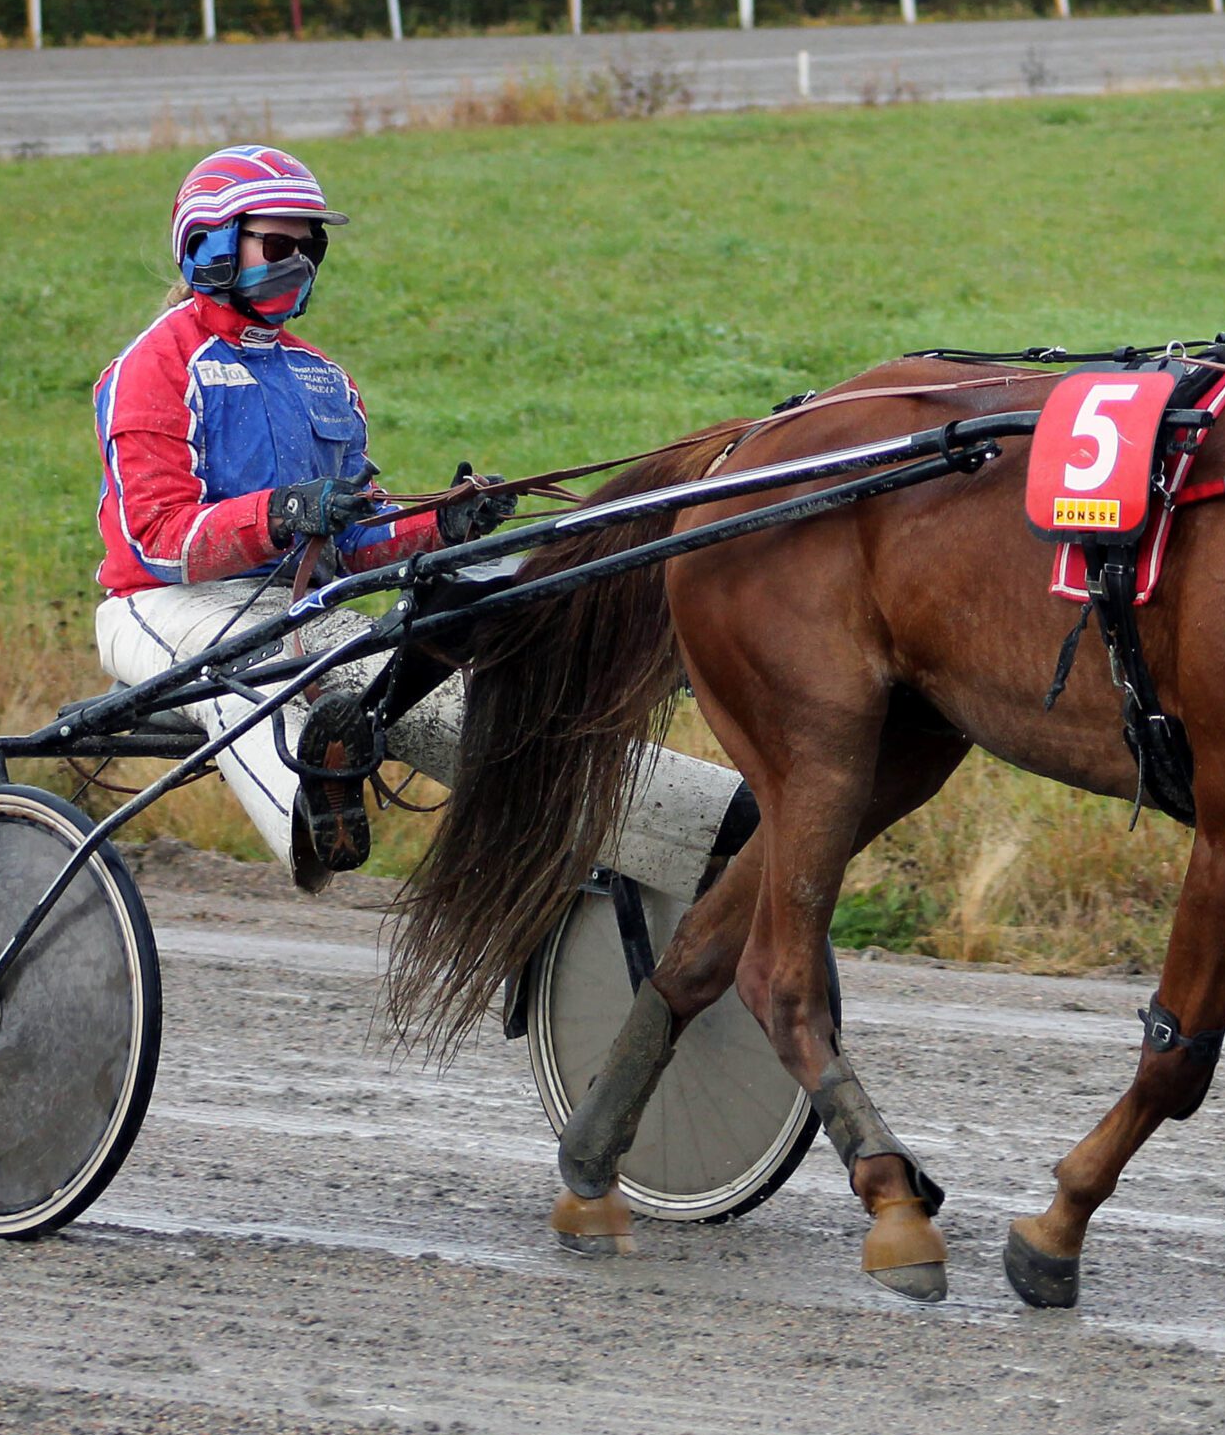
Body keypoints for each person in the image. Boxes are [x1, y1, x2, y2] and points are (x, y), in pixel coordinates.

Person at [94, 145, 746, 900]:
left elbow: (357, 544)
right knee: (256, 664)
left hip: (303, 615)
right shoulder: (155, 366)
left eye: (311, 247)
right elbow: (156, 536)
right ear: (209, 246)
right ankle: (312, 803)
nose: (299, 263)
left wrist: (445, 523)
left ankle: (705, 824)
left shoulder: (322, 378)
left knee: (435, 693)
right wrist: (283, 512)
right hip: (164, 607)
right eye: (278, 245)